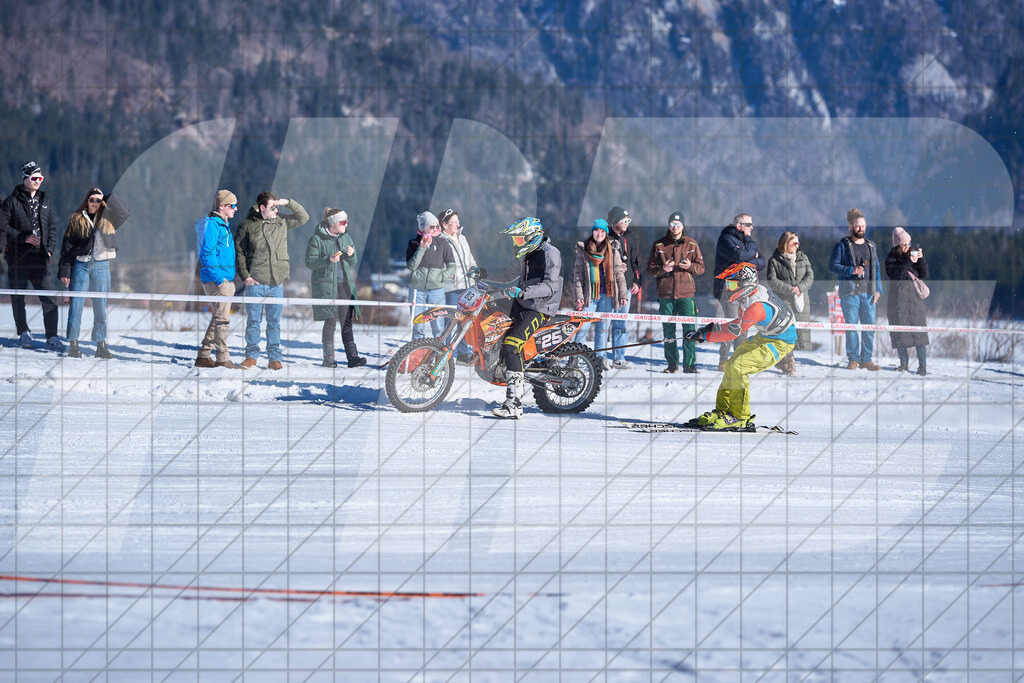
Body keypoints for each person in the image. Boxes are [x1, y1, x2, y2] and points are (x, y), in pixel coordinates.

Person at [684, 262, 796, 430]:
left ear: (746, 284)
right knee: (731, 365)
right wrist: (710, 329)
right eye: (728, 283)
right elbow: (736, 324)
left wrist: (705, 336)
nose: (729, 288)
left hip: (780, 342)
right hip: (766, 336)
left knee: (740, 367)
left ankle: (740, 417)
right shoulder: (748, 297)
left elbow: (732, 333)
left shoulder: (756, 307)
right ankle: (723, 411)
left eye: (733, 284)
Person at [491, 216, 563, 419]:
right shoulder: (527, 253)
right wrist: (481, 273)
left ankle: (514, 404)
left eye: (519, 239)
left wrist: (524, 292)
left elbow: (551, 286)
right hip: (522, 302)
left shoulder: (550, 254)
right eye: (515, 240)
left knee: (512, 344)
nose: (516, 243)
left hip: (540, 307)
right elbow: (507, 274)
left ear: (532, 237)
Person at [234, 191, 309, 370]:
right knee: (253, 321)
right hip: (256, 282)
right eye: (272, 207)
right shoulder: (247, 226)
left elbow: (303, 217)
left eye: (277, 206)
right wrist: (245, 276)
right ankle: (251, 356)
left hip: (276, 282)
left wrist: (286, 202)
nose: (276, 209)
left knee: (274, 322)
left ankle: (274, 358)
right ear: (262, 208)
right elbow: (239, 252)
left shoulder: (281, 222)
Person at [58, 187, 130, 359]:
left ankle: (101, 344)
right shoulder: (76, 218)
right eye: (92, 200)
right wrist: (65, 271)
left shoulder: (109, 218)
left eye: (98, 200)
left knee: (100, 307)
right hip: (80, 265)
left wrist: (107, 196)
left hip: (101, 265)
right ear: (86, 201)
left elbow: (125, 212)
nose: (95, 203)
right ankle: (73, 344)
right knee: (76, 305)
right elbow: (66, 248)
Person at [1, 161, 61, 350]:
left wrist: (50, 249)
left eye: (40, 178)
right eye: (34, 178)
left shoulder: (46, 200)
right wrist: (23, 237)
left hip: (40, 258)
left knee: (49, 297)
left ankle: (51, 335)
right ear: (25, 179)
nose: (38, 181)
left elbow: (52, 227)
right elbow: (3, 228)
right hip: (18, 258)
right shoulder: (11, 202)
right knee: (18, 296)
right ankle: (24, 332)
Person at [306, 208, 366, 368]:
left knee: (346, 322)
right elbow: (310, 262)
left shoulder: (346, 237)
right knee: (330, 323)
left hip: (345, 286)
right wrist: (328, 259)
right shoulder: (316, 239)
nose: (347, 224)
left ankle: (352, 357)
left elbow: (353, 262)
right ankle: (329, 357)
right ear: (334, 223)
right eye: (344, 222)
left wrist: (352, 254)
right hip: (327, 288)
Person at [646, 211, 705, 373]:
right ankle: (672, 365)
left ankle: (689, 365)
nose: (674, 227)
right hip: (666, 294)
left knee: (689, 331)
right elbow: (650, 270)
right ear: (668, 225)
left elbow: (701, 268)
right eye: (672, 224)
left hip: (686, 294)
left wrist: (690, 267)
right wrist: (662, 269)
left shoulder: (692, 244)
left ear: (683, 226)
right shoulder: (659, 245)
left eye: (678, 224)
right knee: (668, 331)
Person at [829, 208, 882, 371]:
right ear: (851, 227)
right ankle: (853, 359)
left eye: (863, 226)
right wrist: (851, 270)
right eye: (858, 226)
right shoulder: (843, 245)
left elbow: (877, 269)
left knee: (869, 328)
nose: (861, 229)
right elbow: (833, 266)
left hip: (868, 294)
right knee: (851, 327)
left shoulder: (871, 246)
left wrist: (878, 289)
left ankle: (866, 359)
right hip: (850, 293)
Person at [712, 213, 765, 371]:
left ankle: (739, 360)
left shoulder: (748, 241)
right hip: (729, 288)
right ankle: (723, 359)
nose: (751, 227)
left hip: (747, 289)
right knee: (733, 324)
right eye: (748, 225)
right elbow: (739, 255)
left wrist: (748, 259)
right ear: (739, 226)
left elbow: (762, 262)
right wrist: (748, 256)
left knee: (744, 325)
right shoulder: (726, 239)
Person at [573, 218, 627, 370]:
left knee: (602, 330)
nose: (599, 234)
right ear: (593, 232)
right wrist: (579, 297)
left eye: (603, 231)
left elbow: (618, 274)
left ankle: (600, 360)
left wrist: (623, 294)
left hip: (607, 295)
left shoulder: (613, 249)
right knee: (582, 328)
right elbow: (578, 276)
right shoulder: (584, 249)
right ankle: (574, 359)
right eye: (597, 230)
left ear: (606, 233)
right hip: (589, 296)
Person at [194, 189, 239, 368]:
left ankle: (204, 355)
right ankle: (223, 358)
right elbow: (207, 253)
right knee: (222, 320)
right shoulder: (214, 225)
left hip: (225, 279)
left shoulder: (223, 225)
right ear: (222, 206)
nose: (235, 209)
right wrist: (219, 279)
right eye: (232, 205)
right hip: (217, 280)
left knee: (218, 317)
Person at [765, 230, 814, 375]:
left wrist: (800, 288)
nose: (797, 246)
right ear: (786, 244)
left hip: (801, 300)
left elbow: (810, 275)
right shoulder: (774, 261)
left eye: (798, 243)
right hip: (783, 300)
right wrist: (789, 289)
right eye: (794, 243)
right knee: (786, 330)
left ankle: (783, 360)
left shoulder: (803, 257)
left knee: (800, 333)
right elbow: (772, 280)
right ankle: (788, 361)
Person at [437, 207, 479, 364]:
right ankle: (440, 352)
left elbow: (470, 259)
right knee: (451, 320)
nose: (457, 224)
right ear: (444, 224)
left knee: (466, 321)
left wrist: (475, 270)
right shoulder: (440, 241)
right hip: (452, 288)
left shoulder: (463, 238)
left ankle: (462, 354)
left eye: (457, 221)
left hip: (468, 286)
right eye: (454, 222)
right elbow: (440, 264)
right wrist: (451, 274)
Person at [885, 227, 929, 376]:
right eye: (904, 244)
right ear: (897, 244)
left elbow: (923, 273)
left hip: (914, 302)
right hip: (897, 302)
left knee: (919, 333)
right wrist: (908, 261)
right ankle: (903, 363)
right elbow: (895, 274)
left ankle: (922, 365)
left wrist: (920, 260)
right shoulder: (891, 258)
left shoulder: (912, 255)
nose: (907, 247)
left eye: (909, 243)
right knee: (899, 332)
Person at [406, 211, 456, 340]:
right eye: (431, 226)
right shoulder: (413, 243)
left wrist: (441, 277)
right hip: (417, 289)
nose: (435, 229)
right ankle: (417, 356)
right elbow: (411, 266)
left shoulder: (443, 243)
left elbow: (452, 266)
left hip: (437, 290)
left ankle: (439, 356)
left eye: (437, 226)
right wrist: (422, 247)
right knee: (417, 326)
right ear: (423, 227)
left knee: (438, 326)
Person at [605, 206, 643, 369]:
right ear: (614, 222)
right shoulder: (604, 236)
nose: (627, 223)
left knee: (621, 323)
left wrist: (637, 282)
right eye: (623, 221)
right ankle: (600, 357)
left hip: (625, 288)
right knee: (604, 324)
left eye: (628, 220)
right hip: (608, 288)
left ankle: (618, 358)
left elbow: (635, 262)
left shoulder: (630, 238)